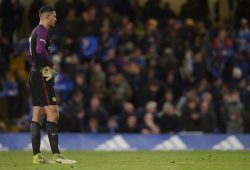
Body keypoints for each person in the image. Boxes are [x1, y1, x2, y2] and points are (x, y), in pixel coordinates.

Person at [27, 5, 76, 164]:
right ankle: (56, 155)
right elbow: (40, 51)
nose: (56, 18)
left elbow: (30, 54)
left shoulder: (34, 32)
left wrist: (36, 66)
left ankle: (36, 156)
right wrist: (50, 65)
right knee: (53, 114)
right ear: (47, 16)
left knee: (38, 114)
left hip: (34, 74)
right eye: (54, 16)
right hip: (42, 76)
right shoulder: (42, 31)